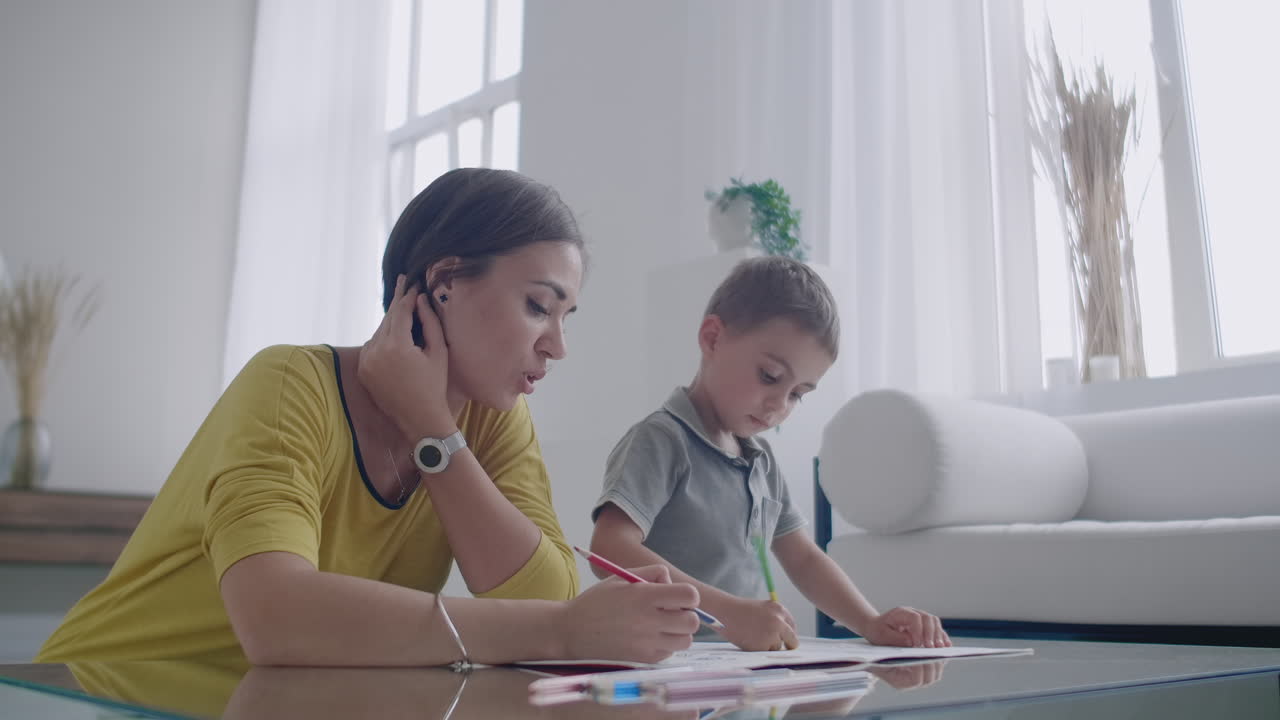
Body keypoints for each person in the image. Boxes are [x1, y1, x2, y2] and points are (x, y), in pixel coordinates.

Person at [39, 168, 699, 667]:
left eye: (565, 316)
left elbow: (545, 592)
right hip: (100, 692)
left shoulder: (493, 421)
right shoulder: (290, 384)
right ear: (443, 283)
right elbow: (276, 616)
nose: (557, 344)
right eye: (537, 306)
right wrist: (560, 632)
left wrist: (432, 432)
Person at [590, 256, 951, 652]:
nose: (780, 405)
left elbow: (804, 560)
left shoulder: (761, 460)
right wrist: (728, 614)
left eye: (798, 394)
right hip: (659, 660)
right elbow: (609, 549)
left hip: (736, 665)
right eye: (770, 377)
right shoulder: (661, 440)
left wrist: (870, 622)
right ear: (713, 339)